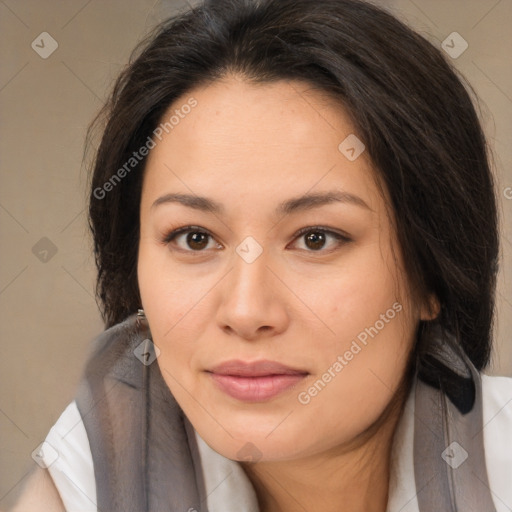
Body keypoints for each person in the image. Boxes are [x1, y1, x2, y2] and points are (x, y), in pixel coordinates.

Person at [10, 0, 512, 511]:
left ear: (432, 274)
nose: (247, 312)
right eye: (195, 238)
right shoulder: (75, 490)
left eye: (316, 238)